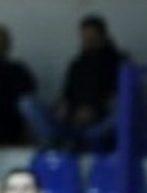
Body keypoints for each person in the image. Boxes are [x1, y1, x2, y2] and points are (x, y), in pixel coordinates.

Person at [19, 14, 126, 152]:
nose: (87, 42)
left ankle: (76, 143)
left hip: (98, 125)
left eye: (92, 37)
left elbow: (120, 97)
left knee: (124, 108)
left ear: (103, 36)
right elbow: (67, 94)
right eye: (84, 37)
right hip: (71, 123)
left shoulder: (119, 62)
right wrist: (64, 107)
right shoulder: (77, 64)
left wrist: (96, 110)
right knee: (27, 103)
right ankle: (59, 142)